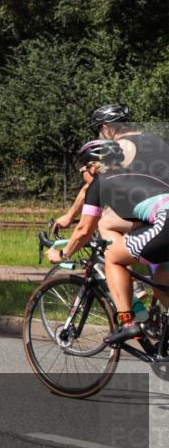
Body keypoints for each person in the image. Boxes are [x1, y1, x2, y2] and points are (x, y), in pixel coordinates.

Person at [46, 140, 169, 345]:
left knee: (113, 257)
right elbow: (141, 222)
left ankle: (128, 323)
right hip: (162, 221)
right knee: (162, 276)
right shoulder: (137, 178)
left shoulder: (100, 183)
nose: (83, 176)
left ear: (93, 167)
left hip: (164, 223)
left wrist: (62, 255)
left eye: (82, 170)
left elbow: (84, 230)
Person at [53, 103, 169, 236]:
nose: (100, 135)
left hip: (157, 210)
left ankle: (114, 257)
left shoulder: (120, 147)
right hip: (160, 203)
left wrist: (69, 216)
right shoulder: (152, 139)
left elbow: (95, 186)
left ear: (106, 128)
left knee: (106, 221)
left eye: (99, 130)